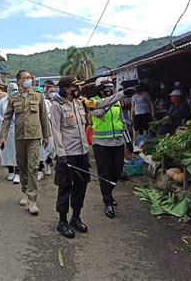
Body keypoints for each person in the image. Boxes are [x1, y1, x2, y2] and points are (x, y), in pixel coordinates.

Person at [0, 70, 51, 215]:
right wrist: (2, 136)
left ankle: (33, 200)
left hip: (34, 137)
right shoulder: (13, 99)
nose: (28, 80)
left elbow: (43, 118)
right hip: (19, 137)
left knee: (33, 166)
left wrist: (46, 136)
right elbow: (7, 118)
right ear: (19, 81)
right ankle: (25, 192)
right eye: (25, 78)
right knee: (21, 166)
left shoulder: (38, 96)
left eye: (30, 77)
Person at [87, 77, 135, 219]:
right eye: (106, 88)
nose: (109, 90)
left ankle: (109, 192)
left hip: (118, 142)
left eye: (110, 88)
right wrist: (111, 100)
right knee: (104, 173)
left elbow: (121, 121)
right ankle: (107, 200)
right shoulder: (92, 101)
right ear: (99, 90)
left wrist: (128, 140)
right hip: (101, 144)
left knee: (117, 170)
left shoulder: (117, 101)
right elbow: (98, 113)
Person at [50, 76, 90, 239]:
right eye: (76, 86)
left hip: (82, 152)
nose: (78, 89)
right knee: (65, 186)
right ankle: (62, 221)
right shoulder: (57, 106)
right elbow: (56, 130)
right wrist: (61, 154)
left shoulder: (80, 102)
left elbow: (100, 104)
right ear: (67, 89)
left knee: (81, 185)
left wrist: (121, 94)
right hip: (68, 154)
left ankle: (76, 217)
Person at [0, 83, 20, 183]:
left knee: (18, 151)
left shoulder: (21, 100)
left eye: (15, 89)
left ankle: (18, 172)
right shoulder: (2, 101)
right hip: (6, 129)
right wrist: (6, 122)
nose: (13, 91)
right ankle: (10, 170)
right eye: (11, 89)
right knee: (7, 150)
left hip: (18, 129)